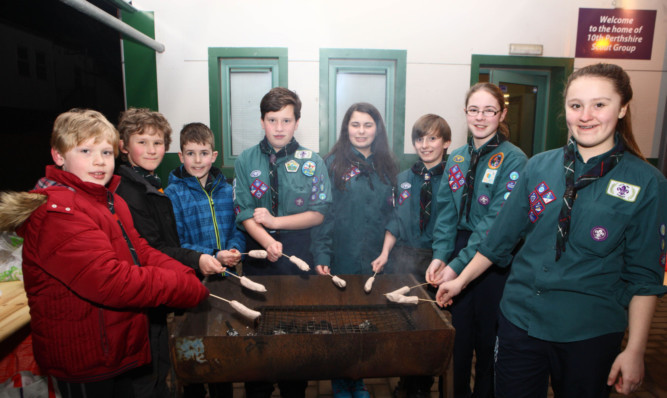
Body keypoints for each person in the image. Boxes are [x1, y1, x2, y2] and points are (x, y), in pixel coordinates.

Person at [435, 63, 667, 398]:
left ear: (623, 107)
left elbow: (645, 276)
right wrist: (459, 280)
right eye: (576, 106)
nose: (585, 116)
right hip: (520, 321)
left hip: (589, 332)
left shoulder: (647, 183)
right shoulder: (539, 166)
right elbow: (498, 239)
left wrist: (634, 350)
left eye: (599, 105)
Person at [0, 108, 209, 398]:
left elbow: (142, 251)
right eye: (85, 150)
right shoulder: (58, 213)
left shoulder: (108, 200)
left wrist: (184, 272)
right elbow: (111, 282)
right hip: (84, 357)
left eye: (106, 152)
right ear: (59, 156)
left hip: (115, 346)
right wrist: (182, 287)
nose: (99, 160)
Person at [115, 109, 228, 398]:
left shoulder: (152, 185)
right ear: (124, 146)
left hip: (165, 286)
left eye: (157, 143)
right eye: (142, 142)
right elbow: (152, 248)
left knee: (164, 364)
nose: (151, 150)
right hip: (146, 292)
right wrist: (200, 258)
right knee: (155, 371)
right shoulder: (129, 191)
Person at [425, 82, 527, 398]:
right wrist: (440, 255)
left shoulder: (514, 160)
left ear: (502, 114)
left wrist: (456, 266)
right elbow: (444, 214)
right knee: (456, 340)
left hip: (493, 261)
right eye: (473, 110)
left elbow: (494, 225)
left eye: (489, 111)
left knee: (488, 344)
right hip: (456, 250)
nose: (480, 118)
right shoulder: (455, 157)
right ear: (465, 112)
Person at [233, 87, 332, 398]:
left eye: (286, 120)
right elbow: (244, 211)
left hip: (299, 252)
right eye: (272, 119)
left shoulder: (313, 161)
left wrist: (276, 223)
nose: (279, 127)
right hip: (259, 255)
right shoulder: (246, 159)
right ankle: (258, 387)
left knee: (296, 331)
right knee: (257, 327)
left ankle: (294, 387)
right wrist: (267, 240)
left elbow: (318, 214)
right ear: (262, 121)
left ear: (297, 122)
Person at [312, 102, 398, 398]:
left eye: (368, 125)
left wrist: (387, 254)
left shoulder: (388, 166)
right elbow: (324, 215)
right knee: (340, 323)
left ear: (378, 129)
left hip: (375, 260)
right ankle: (340, 383)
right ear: (346, 128)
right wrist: (322, 256)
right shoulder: (331, 164)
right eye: (355, 124)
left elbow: (393, 216)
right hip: (341, 256)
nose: (361, 131)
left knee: (368, 320)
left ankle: (359, 379)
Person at [369, 114, 451, 398]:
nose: (425, 145)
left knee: (430, 326)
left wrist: (442, 260)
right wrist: (384, 253)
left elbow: (450, 225)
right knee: (406, 323)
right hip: (404, 258)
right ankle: (407, 378)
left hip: (438, 259)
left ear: (447, 142)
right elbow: (395, 220)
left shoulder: (455, 178)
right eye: (420, 138)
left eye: (433, 138)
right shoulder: (403, 178)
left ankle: (422, 385)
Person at [164, 122, 246, 398]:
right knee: (193, 351)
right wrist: (213, 254)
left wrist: (233, 248)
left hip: (224, 283)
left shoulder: (228, 189)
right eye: (190, 153)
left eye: (203, 153)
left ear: (215, 155)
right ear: (180, 156)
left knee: (220, 349)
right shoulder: (172, 195)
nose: (197, 160)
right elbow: (177, 244)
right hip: (189, 285)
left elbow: (239, 227)